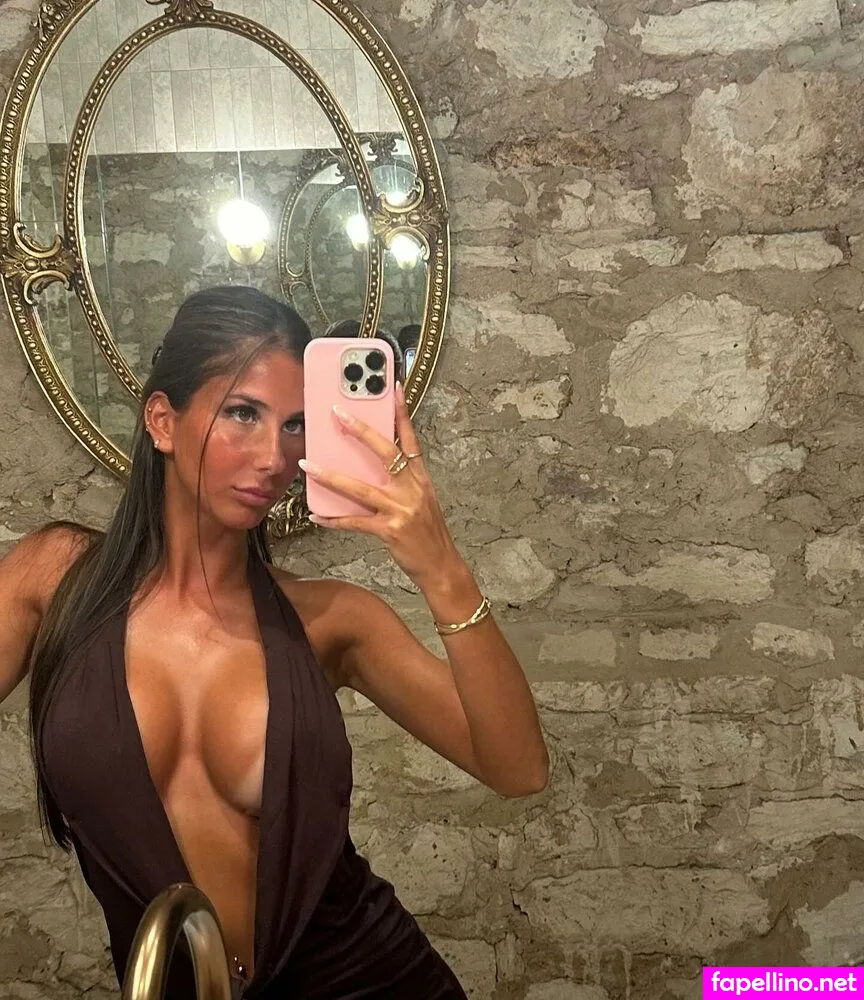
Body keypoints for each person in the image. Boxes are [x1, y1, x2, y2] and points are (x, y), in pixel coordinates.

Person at [0, 286, 549, 999]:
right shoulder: (54, 577)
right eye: (243, 413)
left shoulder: (330, 618)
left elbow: (517, 768)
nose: (273, 456)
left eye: (296, 426)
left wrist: (439, 564)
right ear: (163, 420)